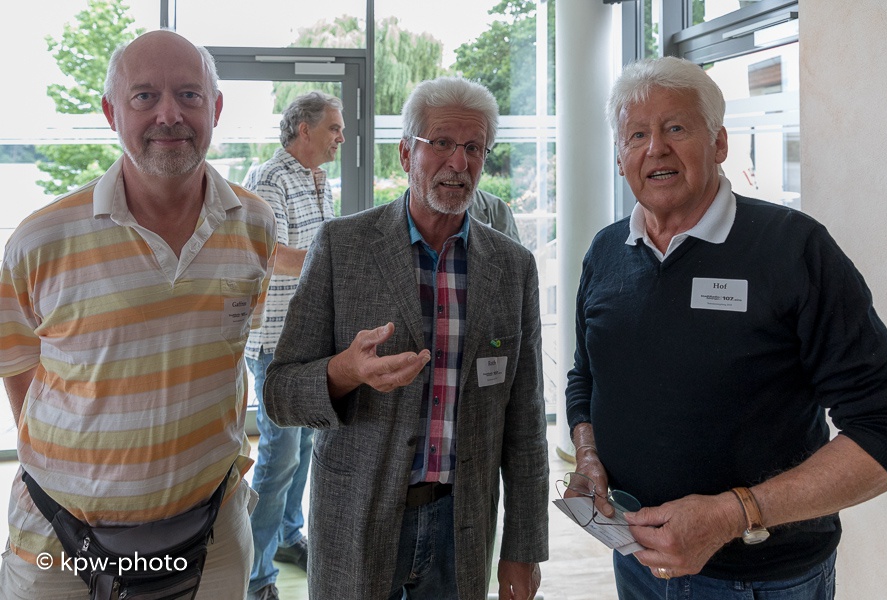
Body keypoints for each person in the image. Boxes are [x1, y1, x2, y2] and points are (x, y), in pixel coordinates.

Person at [565, 56, 887, 599]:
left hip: (761, 580)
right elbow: (585, 376)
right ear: (620, 157)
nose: (656, 148)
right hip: (636, 561)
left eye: (676, 128)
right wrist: (588, 453)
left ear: (719, 143)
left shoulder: (794, 248)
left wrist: (732, 513)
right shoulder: (606, 251)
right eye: (637, 135)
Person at [0, 30, 276, 599]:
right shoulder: (39, 240)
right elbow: (19, 367)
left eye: (189, 95)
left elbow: (227, 350)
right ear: (111, 113)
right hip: (59, 543)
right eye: (144, 96)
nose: (169, 114)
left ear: (216, 108)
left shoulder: (255, 224)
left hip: (212, 535)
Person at [263, 76, 549, 600]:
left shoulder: (513, 267)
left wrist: (523, 547)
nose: (458, 162)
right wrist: (344, 372)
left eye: (474, 148)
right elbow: (279, 393)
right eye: (441, 143)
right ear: (404, 153)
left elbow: (526, 423)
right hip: (356, 518)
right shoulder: (342, 246)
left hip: (462, 528)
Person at [242, 91, 345, 600]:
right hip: (274, 343)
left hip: (309, 339)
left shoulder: (318, 180)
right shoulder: (270, 179)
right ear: (304, 129)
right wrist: (334, 261)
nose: (341, 137)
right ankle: (256, 576)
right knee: (279, 457)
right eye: (333, 128)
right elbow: (272, 254)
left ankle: (287, 537)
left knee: (303, 449)